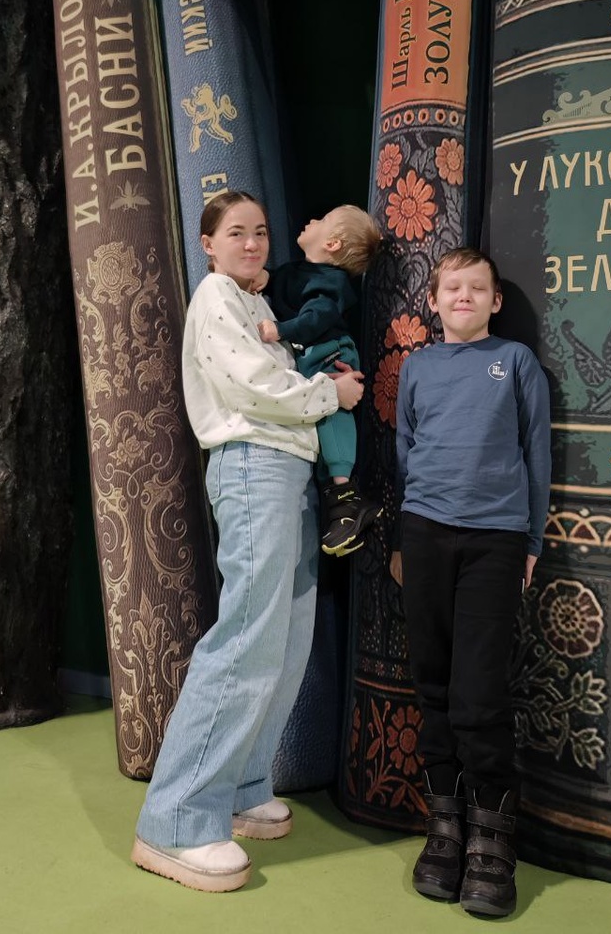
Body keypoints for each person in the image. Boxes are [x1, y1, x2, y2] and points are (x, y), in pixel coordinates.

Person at [131, 191, 364, 894]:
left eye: (260, 231)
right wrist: (329, 395)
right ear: (208, 243)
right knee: (246, 637)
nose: (253, 243)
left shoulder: (257, 300)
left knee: (286, 636)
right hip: (253, 463)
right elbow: (253, 385)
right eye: (237, 233)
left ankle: (241, 786)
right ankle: (175, 821)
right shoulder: (216, 298)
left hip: (289, 466)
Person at [389, 247, 551, 919]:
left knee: (478, 693)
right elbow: (405, 450)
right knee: (432, 681)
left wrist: (531, 542)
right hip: (425, 532)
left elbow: (537, 453)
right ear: (432, 301)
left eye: (477, 287)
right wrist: (405, 536)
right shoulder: (418, 368)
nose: (464, 296)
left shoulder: (515, 363)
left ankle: (491, 843)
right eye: (452, 287)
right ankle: (446, 829)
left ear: (495, 301)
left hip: (496, 539)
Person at [255, 205, 382, 555]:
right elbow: (283, 283)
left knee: (332, 417)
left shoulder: (330, 281)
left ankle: (346, 495)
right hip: (312, 358)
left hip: (331, 353)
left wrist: (279, 329)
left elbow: (316, 317)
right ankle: (340, 503)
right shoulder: (300, 271)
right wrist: (265, 279)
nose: (311, 219)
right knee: (321, 418)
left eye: (322, 220)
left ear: (332, 243)